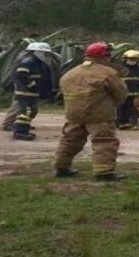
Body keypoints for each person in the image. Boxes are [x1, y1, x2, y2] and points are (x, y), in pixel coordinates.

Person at [52, 42, 129, 181]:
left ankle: (61, 167)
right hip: (98, 114)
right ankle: (104, 172)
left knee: (70, 140)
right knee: (104, 141)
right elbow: (120, 93)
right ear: (105, 56)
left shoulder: (71, 73)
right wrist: (113, 105)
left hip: (73, 114)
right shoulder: (107, 72)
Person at [11, 42, 58, 141]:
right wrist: (32, 85)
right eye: (44, 53)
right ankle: (19, 131)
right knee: (27, 111)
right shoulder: (28, 61)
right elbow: (21, 74)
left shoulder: (37, 62)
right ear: (37, 52)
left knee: (30, 111)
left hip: (31, 92)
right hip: (26, 92)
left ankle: (23, 129)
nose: (46, 55)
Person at [116, 49, 139, 130]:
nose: (133, 61)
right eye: (131, 59)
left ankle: (132, 124)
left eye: (134, 59)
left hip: (134, 94)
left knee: (132, 109)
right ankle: (121, 123)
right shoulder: (120, 68)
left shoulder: (138, 69)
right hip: (122, 93)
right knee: (121, 108)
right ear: (125, 59)